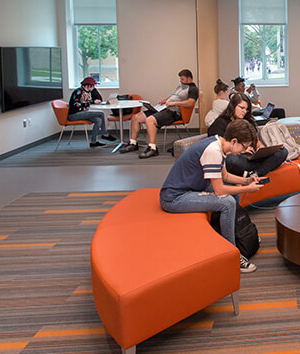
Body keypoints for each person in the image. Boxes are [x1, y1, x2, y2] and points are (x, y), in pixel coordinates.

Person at [159, 119, 264, 273]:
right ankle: (232, 254)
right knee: (227, 202)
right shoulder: (213, 151)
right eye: (244, 146)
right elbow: (220, 190)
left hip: (192, 188)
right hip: (175, 198)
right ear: (234, 141)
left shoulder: (218, 144)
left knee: (232, 196)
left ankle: (239, 234)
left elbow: (225, 176)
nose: (244, 151)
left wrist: (247, 180)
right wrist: (248, 189)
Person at [120, 69, 199, 159]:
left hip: (174, 112)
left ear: (189, 78)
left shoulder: (193, 89)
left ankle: (152, 148)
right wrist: (165, 100)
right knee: (136, 117)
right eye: (180, 79)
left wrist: (174, 103)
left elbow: (191, 103)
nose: (181, 81)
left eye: (183, 79)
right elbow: (173, 96)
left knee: (150, 120)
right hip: (164, 108)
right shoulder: (181, 86)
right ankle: (133, 143)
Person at [208, 93, 288, 178]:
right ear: (233, 106)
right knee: (231, 160)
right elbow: (218, 149)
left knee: (282, 152)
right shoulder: (220, 123)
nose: (244, 111)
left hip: (252, 157)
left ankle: (255, 173)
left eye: (246, 109)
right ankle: (262, 168)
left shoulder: (248, 121)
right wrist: (241, 150)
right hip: (237, 157)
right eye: (242, 108)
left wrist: (261, 148)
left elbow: (257, 141)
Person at [67, 76, 116, 148]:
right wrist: (91, 102)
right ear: (88, 85)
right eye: (93, 85)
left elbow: (98, 98)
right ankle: (104, 134)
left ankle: (93, 141)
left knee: (98, 120)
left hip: (83, 112)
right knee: (101, 113)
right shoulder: (78, 91)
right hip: (74, 114)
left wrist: (94, 98)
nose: (94, 87)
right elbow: (76, 104)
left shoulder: (88, 92)